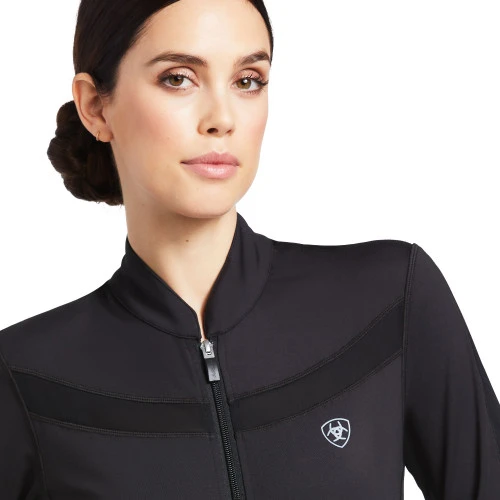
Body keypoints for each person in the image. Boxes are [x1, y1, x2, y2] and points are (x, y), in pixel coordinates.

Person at [0, 0, 499, 498]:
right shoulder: (23, 378)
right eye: (178, 78)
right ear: (95, 106)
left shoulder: (390, 301)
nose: (222, 118)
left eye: (247, 80)